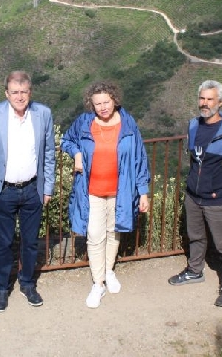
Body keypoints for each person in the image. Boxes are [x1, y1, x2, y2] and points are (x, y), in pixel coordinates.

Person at [61, 81, 150, 309]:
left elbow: (139, 159)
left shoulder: (129, 124)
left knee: (114, 232)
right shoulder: (84, 122)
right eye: (97, 103)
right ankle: (98, 283)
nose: (102, 107)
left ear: (114, 100)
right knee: (95, 235)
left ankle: (108, 271)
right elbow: (66, 141)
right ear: (91, 104)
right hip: (90, 190)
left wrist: (143, 192)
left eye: (106, 102)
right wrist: (77, 153)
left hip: (120, 191)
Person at [0, 71, 56, 312]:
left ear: (30, 92)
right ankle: (2, 288)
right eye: (15, 92)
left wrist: (48, 187)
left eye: (24, 92)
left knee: (31, 242)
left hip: (33, 189)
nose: (19, 97)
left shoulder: (43, 114)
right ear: (6, 93)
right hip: (3, 191)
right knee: (3, 243)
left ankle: (28, 284)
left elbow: (49, 153)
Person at [168, 80, 222, 308]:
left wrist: (219, 185)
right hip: (193, 195)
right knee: (195, 236)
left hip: (218, 199)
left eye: (210, 99)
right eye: (202, 98)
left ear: (220, 102)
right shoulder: (193, 126)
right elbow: (195, 159)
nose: (205, 103)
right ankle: (195, 271)